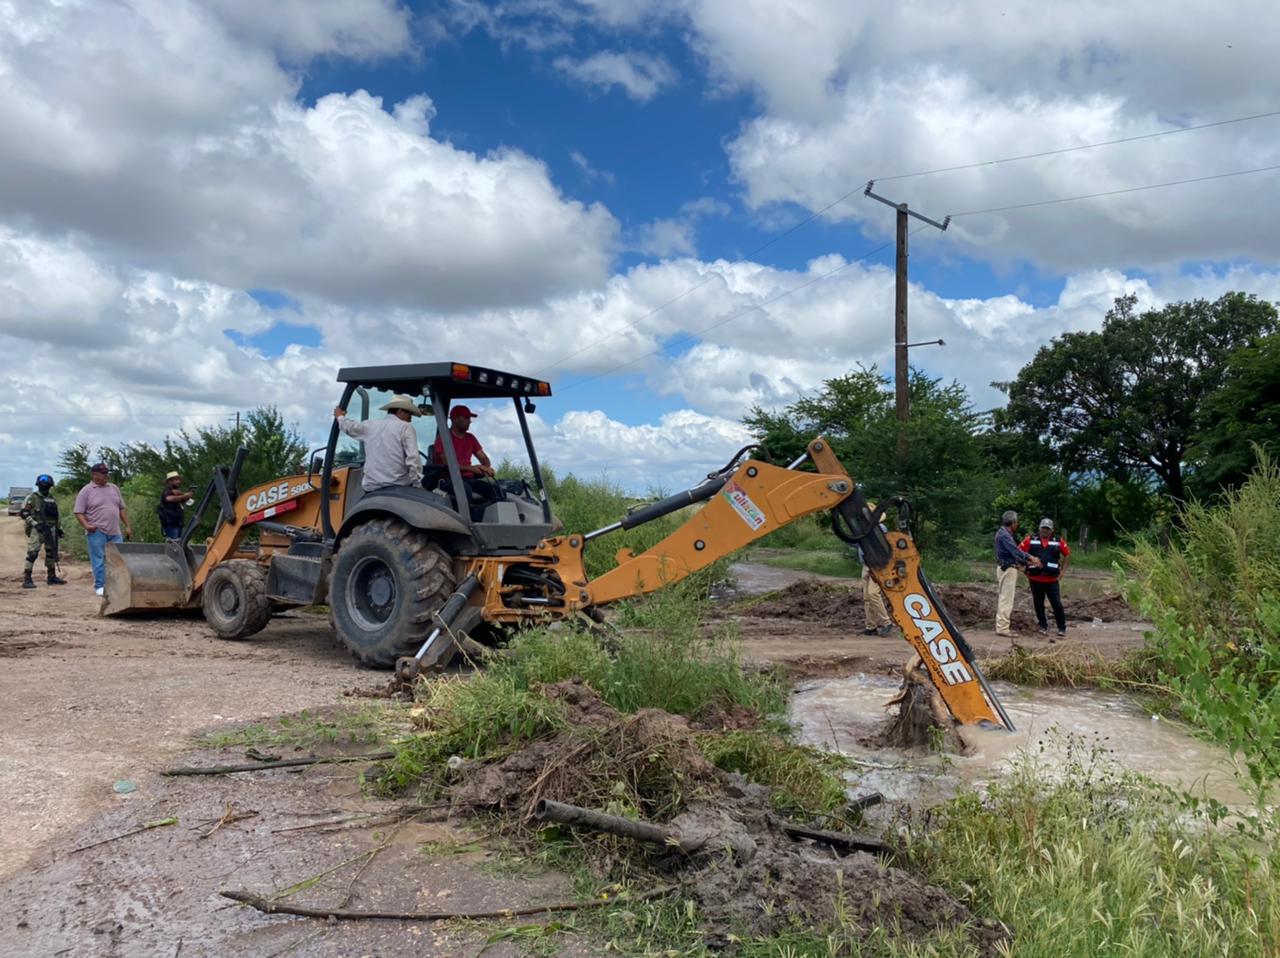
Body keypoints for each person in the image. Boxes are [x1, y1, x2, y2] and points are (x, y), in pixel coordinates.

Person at [334, 395, 424, 492]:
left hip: (371, 488)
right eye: (409, 414)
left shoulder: (370, 425)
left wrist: (340, 417)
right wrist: (417, 483)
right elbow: (413, 458)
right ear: (399, 412)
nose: (410, 418)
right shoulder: (406, 427)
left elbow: (350, 427)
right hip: (398, 487)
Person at [74, 463, 132, 597]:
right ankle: (100, 585)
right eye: (103, 473)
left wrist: (128, 526)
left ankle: (116, 584)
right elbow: (78, 512)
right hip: (96, 530)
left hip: (115, 530)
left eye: (107, 472)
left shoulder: (114, 488)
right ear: (95, 475)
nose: (107, 475)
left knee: (118, 559)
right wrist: (86, 525)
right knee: (98, 559)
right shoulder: (86, 491)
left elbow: (121, 508)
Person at [1020, 518, 1071, 638]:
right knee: (1038, 604)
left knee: (1057, 604)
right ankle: (1042, 625)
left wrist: (1062, 572)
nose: (1045, 530)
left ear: (1052, 530)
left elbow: (1067, 554)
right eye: (1043, 528)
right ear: (1039, 528)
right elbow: (1019, 552)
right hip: (1035, 579)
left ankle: (1061, 627)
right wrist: (1024, 570)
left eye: (1047, 529)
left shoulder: (1058, 541)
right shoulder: (1030, 540)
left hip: (1052, 580)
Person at [993, 510, 1040, 637]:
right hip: (1007, 569)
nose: (1017, 525)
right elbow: (1015, 551)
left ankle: (1002, 626)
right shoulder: (1005, 535)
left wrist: (1023, 564)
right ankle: (1002, 628)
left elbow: (1013, 553)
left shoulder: (1003, 533)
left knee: (1005, 598)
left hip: (1007, 567)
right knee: (1006, 599)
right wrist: (1031, 558)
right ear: (1012, 522)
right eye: (1016, 522)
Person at [19, 474, 67, 588]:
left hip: (51, 528)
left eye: (47, 485)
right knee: (32, 553)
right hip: (37, 528)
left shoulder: (52, 498)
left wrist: (59, 529)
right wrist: (35, 524)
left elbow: (56, 516)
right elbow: (24, 513)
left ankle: (51, 577)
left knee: (51, 553)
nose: (45, 487)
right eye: (42, 485)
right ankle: (27, 579)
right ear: (38, 485)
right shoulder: (32, 497)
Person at [858, 502, 894, 636]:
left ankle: (886, 622)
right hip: (866, 564)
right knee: (867, 596)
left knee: (873, 594)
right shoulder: (862, 530)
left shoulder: (881, 529)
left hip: (877, 565)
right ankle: (870, 626)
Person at [431, 405, 494, 479]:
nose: (470, 421)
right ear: (455, 419)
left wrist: (485, 467)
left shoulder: (470, 438)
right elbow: (447, 464)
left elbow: (484, 458)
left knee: (495, 489)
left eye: (469, 418)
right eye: (466, 418)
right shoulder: (443, 438)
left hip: (468, 479)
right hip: (450, 480)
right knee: (467, 489)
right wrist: (470, 468)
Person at [156, 470, 193, 540]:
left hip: (179, 523)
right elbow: (169, 498)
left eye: (178, 479)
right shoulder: (167, 491)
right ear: (170, 481)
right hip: (171, 524)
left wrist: (187, 496)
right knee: (174, 545)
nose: (179, 481)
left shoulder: (177, 492)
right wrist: (184, 496)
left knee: (180, 544)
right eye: (176, 479)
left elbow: (184, 501)